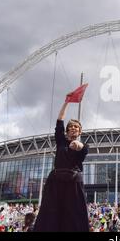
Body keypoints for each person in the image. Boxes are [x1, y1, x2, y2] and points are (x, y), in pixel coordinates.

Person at [34, 99, 89, 232]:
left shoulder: (84, 146)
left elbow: (82, 150)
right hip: (56, 181)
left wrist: (79, 145)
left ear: (80, 131)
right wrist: (66, 102)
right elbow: (59, 121)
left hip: (73, 182)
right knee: (51, 211)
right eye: (71, 126)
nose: (73, 128)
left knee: (73, 213)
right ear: (67, 130)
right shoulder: (61, 142)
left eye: (76, 127)